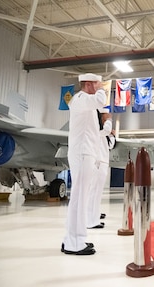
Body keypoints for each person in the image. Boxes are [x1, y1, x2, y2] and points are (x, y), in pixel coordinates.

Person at [62, 73, 106, 255]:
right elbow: (101, 101)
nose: (100, 86)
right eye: (96, 83)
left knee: (81, 197)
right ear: (88, 84)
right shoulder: (81, 99)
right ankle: (74, 242)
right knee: (79, 198)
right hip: (82, 153)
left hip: (85, 153)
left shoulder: (83, 101)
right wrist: (102, 89)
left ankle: (75, 239)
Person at [86, 109, 115, 229]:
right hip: (97, 163)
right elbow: (107, 130)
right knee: (93, 193)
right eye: (105, 115)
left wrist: (112, 135)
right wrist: (109, 120)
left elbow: (110, 145)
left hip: (102, 162)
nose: (108, 116)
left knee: (97, 193)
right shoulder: (95, 130)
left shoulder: (103, 133)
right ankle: (89, 221)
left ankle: (94, 218)